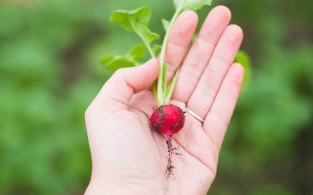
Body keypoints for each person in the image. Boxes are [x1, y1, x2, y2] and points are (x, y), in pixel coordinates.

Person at [84, 5, 244, 195]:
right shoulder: (167, 116)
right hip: (166, 115)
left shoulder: (167, 117)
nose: (168, 138)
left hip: (167, 116)